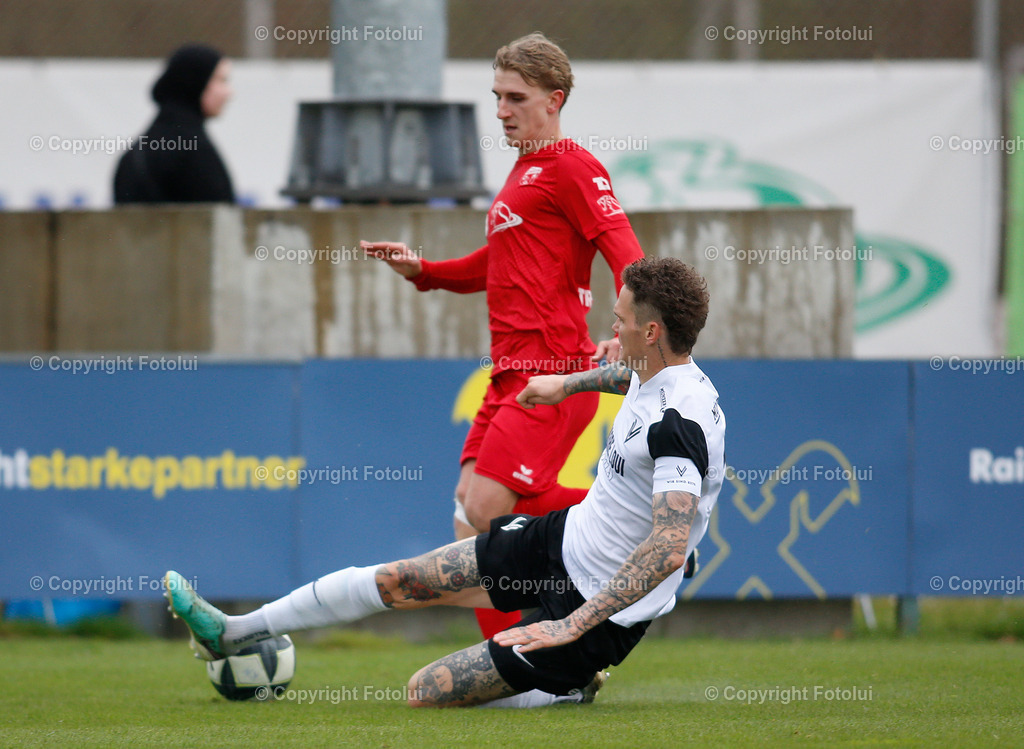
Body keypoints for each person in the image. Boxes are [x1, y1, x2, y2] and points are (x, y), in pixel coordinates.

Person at [165, 257, 725, 708]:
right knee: (400, 579)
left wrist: (569, 627)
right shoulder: (653, 367)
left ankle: (569, 686)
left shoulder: (678, 421)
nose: (612, 327)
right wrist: (567, 384)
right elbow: (628, 376)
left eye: (620, 319)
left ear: (651, 331)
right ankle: (233, 632)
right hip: (561, 538)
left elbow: (669, 548)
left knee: (425, 692)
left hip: (596, 613)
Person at [361, 32, 645, 638]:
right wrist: (424, 271)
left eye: (516, 98)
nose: (501, 111)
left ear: (554, 100)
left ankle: (638, 525)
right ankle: (515, 665)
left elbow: (627, 253)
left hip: (552, 371)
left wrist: (627, 334)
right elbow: (497, 263)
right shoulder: (525, 171)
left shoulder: (573, 167)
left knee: (489, 508)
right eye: (497, 96)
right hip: (508, 371)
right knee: (468, 517)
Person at [113, 43, 235, 204]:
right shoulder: (193, 148)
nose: (229, 92)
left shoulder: (140, 149)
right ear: (196, 81)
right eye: (221, 80)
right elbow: (220, 211)